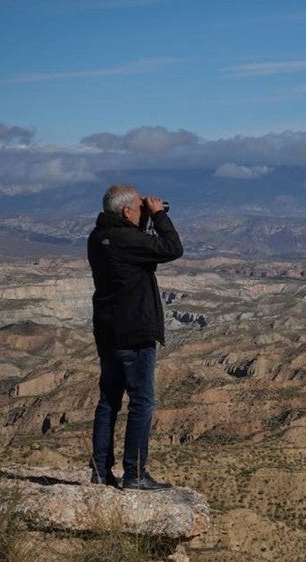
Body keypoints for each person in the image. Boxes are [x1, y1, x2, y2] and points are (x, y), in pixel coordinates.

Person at [87, 184, 183, 490]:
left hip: (108, 332)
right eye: (139, 207)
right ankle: (135, 473)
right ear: (127, 211)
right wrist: (159, 216)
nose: (145, 209)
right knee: (141, 403)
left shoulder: (98, 237)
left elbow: (138, 251)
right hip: (135, 332)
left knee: (109, 401)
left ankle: (101, 470)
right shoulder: (127, 239)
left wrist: (143, 219)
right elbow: (172, 248)